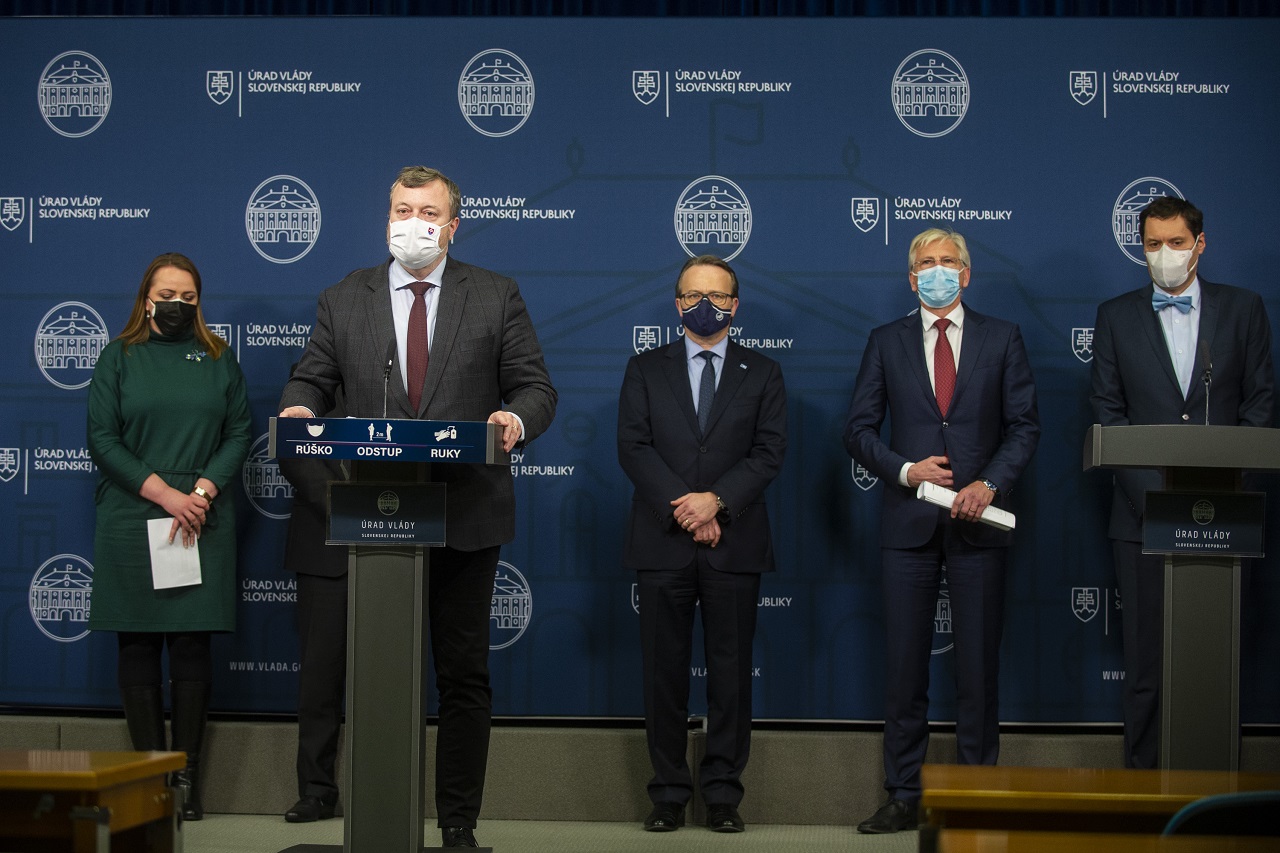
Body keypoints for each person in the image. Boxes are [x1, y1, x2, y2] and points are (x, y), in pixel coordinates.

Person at [278, 165, 557, 849]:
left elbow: (535, 388)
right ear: (387, 219)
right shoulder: (345, 297)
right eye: (402, 210)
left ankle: (458, 820)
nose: (413, 223)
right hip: (376, 516)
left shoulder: (494, 294)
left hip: (466, 512)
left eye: (428, 213)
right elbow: (310, 380)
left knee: (462, 675)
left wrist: (515, 419)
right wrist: (299, 407)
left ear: (452, 226)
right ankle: (375, 818)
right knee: (376, 670)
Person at [843, 228, 1039, 834]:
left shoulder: (1003, 337)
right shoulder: (886, 341)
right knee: (905, 670)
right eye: (925, 263)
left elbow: (1025, 426)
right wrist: (906, 470)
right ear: (911, 279)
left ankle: (977, 795)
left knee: (978, 671)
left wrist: (990, 484)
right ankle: (904, 794)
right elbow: (858, 430)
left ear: (966, 273)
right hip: (909, 526)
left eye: (947, 261)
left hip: (980, 525)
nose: (936, 270)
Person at [1090, 196, 1274, 769]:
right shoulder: (1115, 315)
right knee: (1145, 665)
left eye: (1175, 242)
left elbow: (1260, 405)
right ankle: (1143, 790)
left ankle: (1217, 792)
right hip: (1140, 518)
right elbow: (1108, 414)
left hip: (1226, 516)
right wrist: (1156, 500)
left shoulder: (1243, 309)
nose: (1164, 254)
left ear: (1200, 244)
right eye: (1152, 244)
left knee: (1216, 661)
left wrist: (1222, 491)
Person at [617, 254, 787, 835]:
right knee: (662, 675)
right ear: (678, 304)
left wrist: (717, 502)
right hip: (662, 541)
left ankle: (722, 796)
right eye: (693, 296)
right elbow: (633, 447)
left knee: (731, 677)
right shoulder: (645, 368)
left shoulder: (763, 372)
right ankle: (667, 794)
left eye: (716, 296)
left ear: (735, 306)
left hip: (734, 542)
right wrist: (687, 509)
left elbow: (769, 452)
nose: (704, 305)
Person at [87, 252, 252, 821]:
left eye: (188, 297)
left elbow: (239, 432)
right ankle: (149, 783)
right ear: (146, 299)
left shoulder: (218, 358)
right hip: (134, 513)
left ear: (198, 302)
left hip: (199, 518)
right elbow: (102, 439)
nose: (178, 305)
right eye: (167, 295)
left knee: (190, 644)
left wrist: (199, 493)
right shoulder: (118, 357)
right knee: (136, 644)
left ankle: (184, 784)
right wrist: (166, 496)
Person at [279, 390, 349, 824]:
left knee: (391, 678)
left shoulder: (411, 373)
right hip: (323, 544)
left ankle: (385, 788)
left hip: (401, 541)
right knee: (319, 679)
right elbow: (293, 450)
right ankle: (317, 790)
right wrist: (352, 510)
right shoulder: (311, 377)